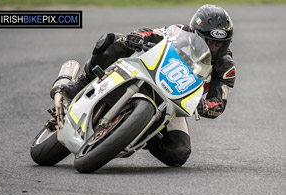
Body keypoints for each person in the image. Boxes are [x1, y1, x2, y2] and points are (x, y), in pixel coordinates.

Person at [59, 4, 236, 167]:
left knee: (179, 152)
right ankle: (81, 82)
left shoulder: (226, 67)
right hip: (146, 72)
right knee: (112, 40)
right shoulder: (178, 32)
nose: (213, 48)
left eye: (219, 44)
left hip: (174, 102)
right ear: (195, 33)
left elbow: (219, 101)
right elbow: (150, 33)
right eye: (209, 42)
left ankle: (140, 132)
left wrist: (207, 106)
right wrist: (139, 36)